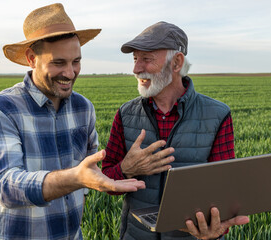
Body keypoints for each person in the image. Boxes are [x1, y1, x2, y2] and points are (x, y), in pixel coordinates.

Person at [0, 3, 145, 240]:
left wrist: (115, 171)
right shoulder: (2, 109)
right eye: (58, 63)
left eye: (76, 61)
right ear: (31, 58)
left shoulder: (83, 108)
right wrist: (75, 178)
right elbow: (5, 185)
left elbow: (90, 168)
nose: (70, 72)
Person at [102, 21, 250, 240]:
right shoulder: (125, 114)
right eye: (135, 59)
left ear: (177, 62)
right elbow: (105, 181)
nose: (136, 69)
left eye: (146, 59)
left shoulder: (217, 115)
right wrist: (126, 168)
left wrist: (216, 230)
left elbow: (224, 192)